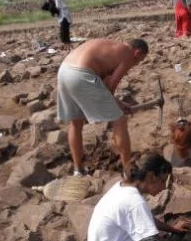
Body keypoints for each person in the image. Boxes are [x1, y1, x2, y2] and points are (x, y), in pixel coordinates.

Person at [56, 38, 149, 177]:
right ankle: (128, 171)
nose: (136, 64)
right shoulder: (128, 55)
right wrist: (117, 107)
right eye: (139, 61)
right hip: (82, 74)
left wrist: (119, 103)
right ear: (138, 53)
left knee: (75, 123)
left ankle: (78, 170)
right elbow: (110, 87)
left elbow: (102, 84)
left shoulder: (111, 45)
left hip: (64, 71)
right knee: (120, 120)